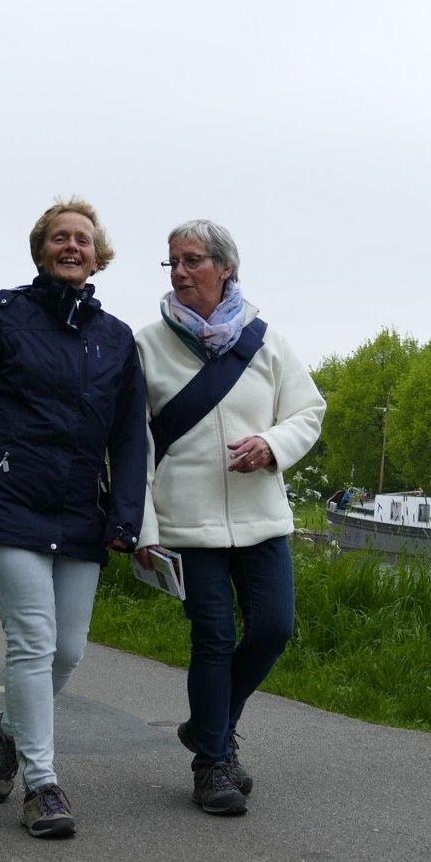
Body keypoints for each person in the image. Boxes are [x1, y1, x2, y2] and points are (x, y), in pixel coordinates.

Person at [0, 199, 145, 839]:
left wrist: (127, 515)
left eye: (84, 240)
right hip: (5, 499)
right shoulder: (5, 317)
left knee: (68, 649)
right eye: (60, 238)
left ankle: (8, 731)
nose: (73, 247)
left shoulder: (117, 339)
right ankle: (42, 784)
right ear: (41, 248)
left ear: (99, 256)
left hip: (78, 509)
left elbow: (129, 439)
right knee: (34, 640)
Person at [134, 219, 324, 816]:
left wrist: (273, 445)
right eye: (174, 263)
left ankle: (207, 723)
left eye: (193, 260)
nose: (182, 272)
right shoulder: (146, 346)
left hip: (261, 518)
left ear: (226, 268)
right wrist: (142, 529)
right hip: (187, 525)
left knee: (274, 627)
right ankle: (212, 763)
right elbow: (132, 445)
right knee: (213, 637)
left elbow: (309, 411)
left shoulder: (265, 341)